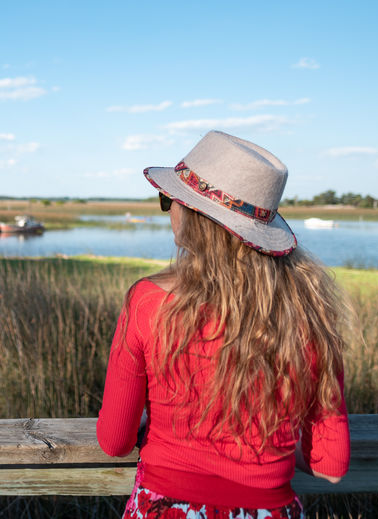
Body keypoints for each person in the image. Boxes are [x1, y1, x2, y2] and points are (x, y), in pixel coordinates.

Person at [97, 130, 351, 519]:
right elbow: (330, 466)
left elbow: (115, 441)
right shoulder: (307, 313)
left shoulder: (148, 301)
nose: (169, 212)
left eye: (170, 201)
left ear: (195, 216)